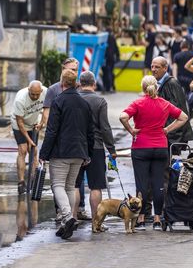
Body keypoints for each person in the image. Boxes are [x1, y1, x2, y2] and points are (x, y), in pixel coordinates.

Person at [119, 76, 188, 229]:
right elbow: (184, 117)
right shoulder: (164, 104)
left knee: (142, 184)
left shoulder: (138, 103)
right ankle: (157, 219)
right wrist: (167, 130)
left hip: (141, 148)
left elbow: (123, 116)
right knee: (158, 184)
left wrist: (131, 130)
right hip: (160, 148)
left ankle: (141, 218)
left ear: (143, 88)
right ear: (156, 87)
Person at [39, 69, 94, 240]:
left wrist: (43, 153)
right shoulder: (84, 103)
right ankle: (67, 221)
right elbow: (90, 131)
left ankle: (68, 216)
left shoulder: (59, 101)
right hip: (79, 152)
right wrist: (88, 154)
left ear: (62, 83)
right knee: (71, 186)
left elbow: (52, 130)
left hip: (61, 151)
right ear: (76, 83)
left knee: (57, 185)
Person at [72, 71, 116, 230]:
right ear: (94, 84)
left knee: (75, 185)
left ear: (79, 83)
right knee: (95, 186)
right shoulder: (99, 101)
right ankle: (95, 224)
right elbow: (105, 127)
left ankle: (72, 219)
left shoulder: (73, 98)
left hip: (75, 147)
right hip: (96, 147)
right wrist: (111, 148)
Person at [151, 56, 193, 154]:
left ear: (165, 68)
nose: (154, 70)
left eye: (157, 67)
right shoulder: (157, 83)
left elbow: (178, 110)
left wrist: (173, 137)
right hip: (164, 134)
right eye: (152, 67)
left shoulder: (171, 84)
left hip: (171, 135)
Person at [11, 80, 47, 194]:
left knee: (34, 151)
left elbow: (47, 109)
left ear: (41, 91)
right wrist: (29, 140)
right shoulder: (20, 99)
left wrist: (42, 123)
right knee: (23, 150)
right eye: (32, 94)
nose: (35, 96)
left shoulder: (46, 92)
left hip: (33, 123)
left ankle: (34, 181)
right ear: (28, 90)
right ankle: (21, 182)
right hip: (19, 124)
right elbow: (20, 123)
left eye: (37, 94)